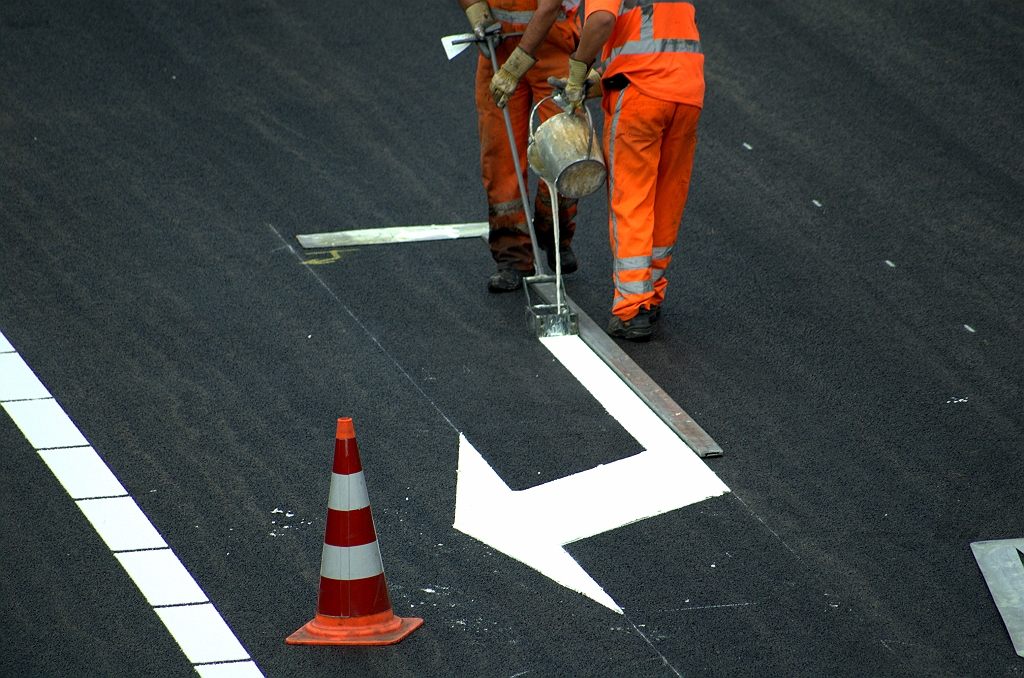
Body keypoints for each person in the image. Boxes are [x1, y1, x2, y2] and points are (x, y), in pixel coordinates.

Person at [556, 0, 705, 340]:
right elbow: (646, 41)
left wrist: (577, 71)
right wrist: (596, 81)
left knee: (632, 196)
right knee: (668, 197)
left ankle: (632, 307)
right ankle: (650, 297)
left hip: (641, 97)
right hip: (687, 90)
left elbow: (601, 21)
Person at [459, 0, 584, 292]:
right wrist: (476, 11)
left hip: (552, 40)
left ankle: (553, 231)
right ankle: (513, 256)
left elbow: (550, 6)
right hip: (499, 45)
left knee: (567, 153)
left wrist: (515, 66)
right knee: (500, 157)